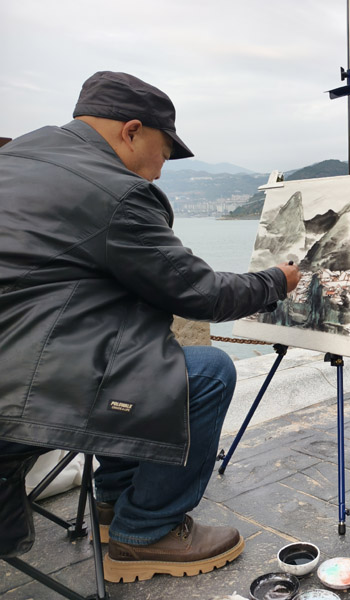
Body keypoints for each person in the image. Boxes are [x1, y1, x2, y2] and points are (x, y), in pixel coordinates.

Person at [0, 71, 300, 582]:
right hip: (20, 391)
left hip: (20, 358)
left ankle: (114, 505)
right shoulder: (115, 190)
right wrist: (275, 280)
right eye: (163, 153)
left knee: (135, 355)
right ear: (131, 130)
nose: (159, 173)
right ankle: (147, 532)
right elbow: (199, 292)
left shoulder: (17, 157)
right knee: (207, 371)